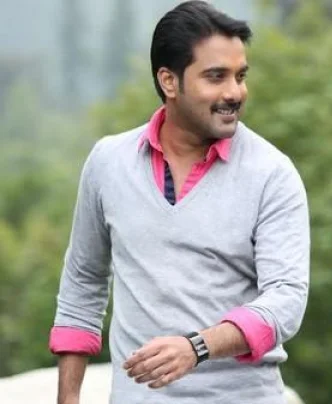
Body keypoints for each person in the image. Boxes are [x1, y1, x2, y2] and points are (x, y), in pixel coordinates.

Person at [48, 2, 310, 403]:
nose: (234, 92)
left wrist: (197, 347)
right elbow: (82, 283)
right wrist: (68, 399)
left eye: (240, 76)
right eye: (216, 76)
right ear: (169, 81)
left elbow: (286, 300)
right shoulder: (108, 162)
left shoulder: (272, 174)